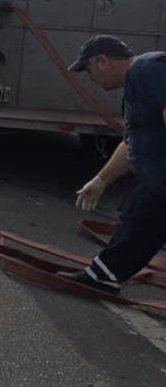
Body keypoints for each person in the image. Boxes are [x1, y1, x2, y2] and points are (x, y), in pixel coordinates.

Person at [59, 35, 166, 294]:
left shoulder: (148, 68)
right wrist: (101, 180)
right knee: (139, 217)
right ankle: (103, 276)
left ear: (103, 61)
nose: (91, 78)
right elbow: (131, 143)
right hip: (157, 181)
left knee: (141, 217)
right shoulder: (134, 86)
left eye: (89, 70)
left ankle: (102, 276)